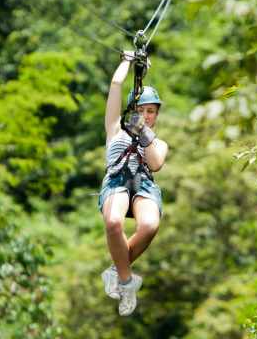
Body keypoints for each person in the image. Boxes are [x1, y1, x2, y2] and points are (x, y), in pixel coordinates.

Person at [97, 51, 169, 316]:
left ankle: (117, 269)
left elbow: (156, 163)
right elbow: (116, 86)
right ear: (131, 111)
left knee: (150, 225)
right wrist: (127, 62)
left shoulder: (158, 142)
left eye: (151, 111)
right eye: (141, 110)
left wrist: (144, 133)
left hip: (143, 185)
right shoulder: (114, 129)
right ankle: (127, 282)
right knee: (114, 223)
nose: (146, 115)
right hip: (117, 181)